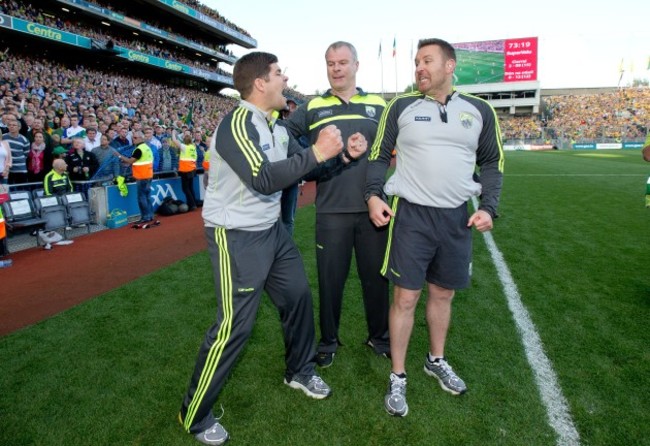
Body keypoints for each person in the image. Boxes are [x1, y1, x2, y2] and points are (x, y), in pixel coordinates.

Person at [178, 51, 354, 446]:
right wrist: (317, 151)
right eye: (278, 73)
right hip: (236, 236)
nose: (284, 77)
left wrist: (341, 156)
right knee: (233, 328)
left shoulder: (275, 126)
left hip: (271, 231)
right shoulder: (237, 123)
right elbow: (262, 179)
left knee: (297, 296)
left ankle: (299, 370)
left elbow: (306, 167)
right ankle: (194, 413)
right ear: (260, 83)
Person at [364, 38, 504, 417]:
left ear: (449, 65)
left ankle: (436, 360)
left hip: (456, 217)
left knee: (443, 295)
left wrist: (489, 206)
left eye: (427, 60)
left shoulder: (478, 110)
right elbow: (378, 155)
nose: (419, 68)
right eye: (416, 62)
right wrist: (373, 195)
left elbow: (491, 163)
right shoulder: (401, 107)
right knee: (406, 298)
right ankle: (398, 375)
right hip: (411, 216)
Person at [284, 41, 391, 366]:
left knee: (376, 279)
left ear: (356, 65)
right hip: (330, 211)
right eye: (331, 63)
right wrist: (308, 160)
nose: (337, 68)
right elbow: (284, 135)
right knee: (330, 281)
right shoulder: (313, 105)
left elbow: (398, 143)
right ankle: (328, 342)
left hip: (374, 208)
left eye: (343, 62)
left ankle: (380, 337)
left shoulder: (377, 104)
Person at [118, 131, 154, 224]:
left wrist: (119, 156)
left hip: (142, 176)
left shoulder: (139, 149)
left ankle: (145, 217)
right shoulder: (147, 147)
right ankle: (150, 215)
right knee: (147, 197)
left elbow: (130, 161)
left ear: (141, 138)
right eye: (133, 138)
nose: (133, 140)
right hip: (148, 175)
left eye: (135, 138)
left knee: (141, 197)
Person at [171, 128, 198, 210]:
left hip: (185, 170)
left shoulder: (184, 147)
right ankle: (194, 203)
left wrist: (173, 133)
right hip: (192, 169)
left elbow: (174, 140)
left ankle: (192, 204)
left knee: (185, 188)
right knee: (190, 187)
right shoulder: (193, 147)